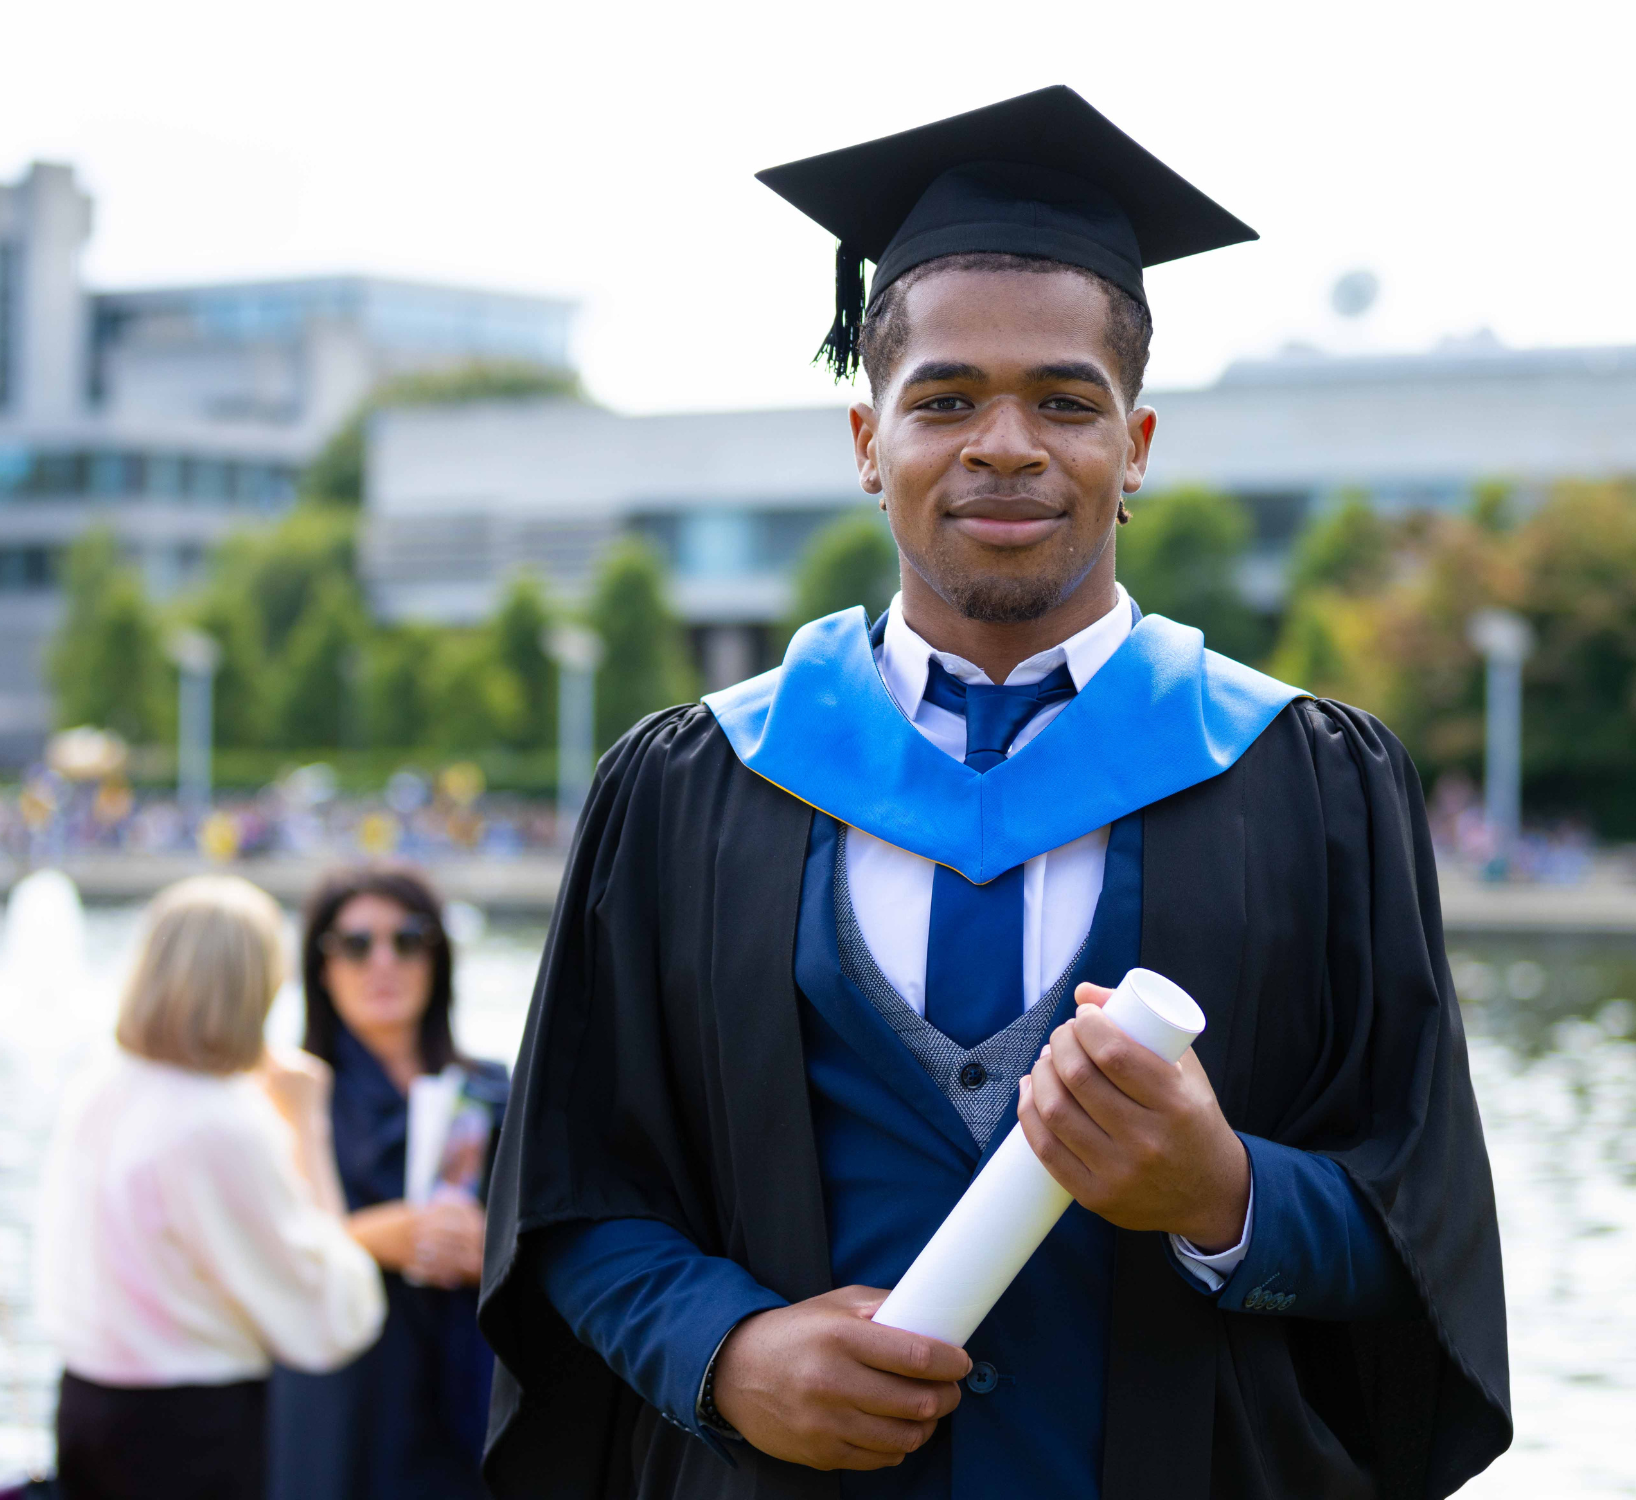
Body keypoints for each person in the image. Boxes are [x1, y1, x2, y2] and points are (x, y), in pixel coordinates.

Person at [480, 86, 1511, 1499]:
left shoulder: (1309, 783)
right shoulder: (690, 788)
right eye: (946, 398)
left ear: (1134, 449)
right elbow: (569, 1200)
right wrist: (723, 1353)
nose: (1007, 444)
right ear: (867, 444)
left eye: (1064, 402)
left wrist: (1221, 1197)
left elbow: (1425, 1221)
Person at [36, 875, 384, 1500]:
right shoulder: (224, 1122)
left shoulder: (103, 1084)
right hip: (188, 1430)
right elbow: (330, 1315)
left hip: (85, 1401)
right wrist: (307, 1125)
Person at [267, 865, 509, 1500]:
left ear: (438, 958)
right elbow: (254, 1253)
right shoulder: (290, 1096)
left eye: (406, 940)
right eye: (354, 944)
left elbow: (561, 1243)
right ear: (321, 967)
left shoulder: (492, 1092)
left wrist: (495, 1247)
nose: (383, 963)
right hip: (343, 1400)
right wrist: (377, 1238)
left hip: (469, 1387)